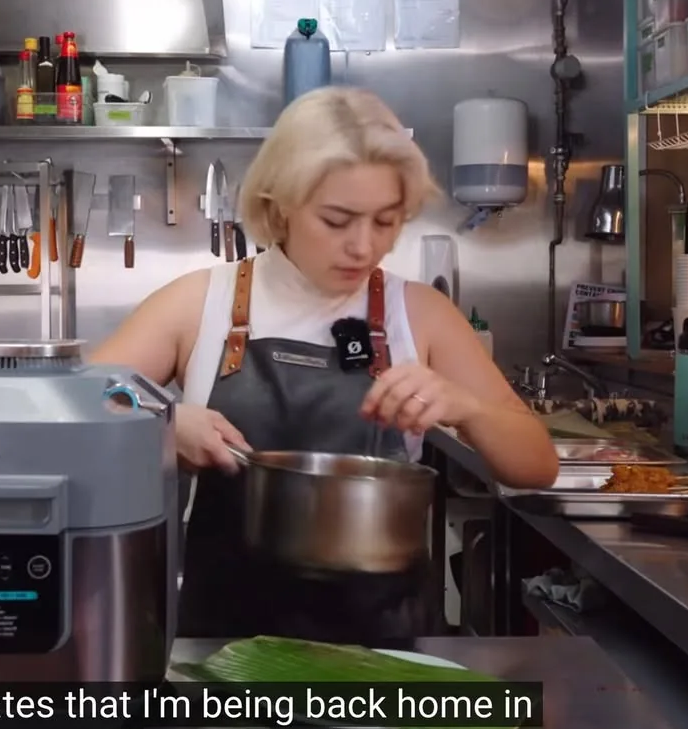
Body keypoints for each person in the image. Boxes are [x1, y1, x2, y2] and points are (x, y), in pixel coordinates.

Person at [89, 86, 559, 645]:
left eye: (385, 221)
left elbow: (536, 466)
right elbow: (67, 409)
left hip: (385, 650)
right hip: (228, 646)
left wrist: (468, 408)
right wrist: (162, 424)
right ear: (279, 205)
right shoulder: (200, 303)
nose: (364, 246)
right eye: (337, 220)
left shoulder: (421, 314)